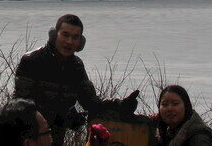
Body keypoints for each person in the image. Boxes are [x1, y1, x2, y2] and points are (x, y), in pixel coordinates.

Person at [14, 13, 139, 146]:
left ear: (80, 42)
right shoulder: (32, 61)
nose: (69, 41)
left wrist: (119, 105)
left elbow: (91, 102)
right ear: (55, 35)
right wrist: (61, 116)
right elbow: (21, 105)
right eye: (65, 35)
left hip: (56, 139)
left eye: (75, 37)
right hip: (27, 138)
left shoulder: (76, 67)